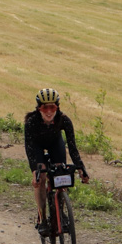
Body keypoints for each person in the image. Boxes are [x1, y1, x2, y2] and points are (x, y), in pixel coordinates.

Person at [24, 87, 89, 233]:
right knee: (41, 178)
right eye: (44, 107)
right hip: (37, 146)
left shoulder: (64, 120)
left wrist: (81, 169)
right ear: (39, 108)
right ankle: (42, 218)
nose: (48, 112)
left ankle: (60, 210)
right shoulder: (31, 122)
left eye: (52, 107)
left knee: (62, 173)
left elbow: (72, 147)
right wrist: (35, 171)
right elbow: (29, 149)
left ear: (57, 107)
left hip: (55, 144)